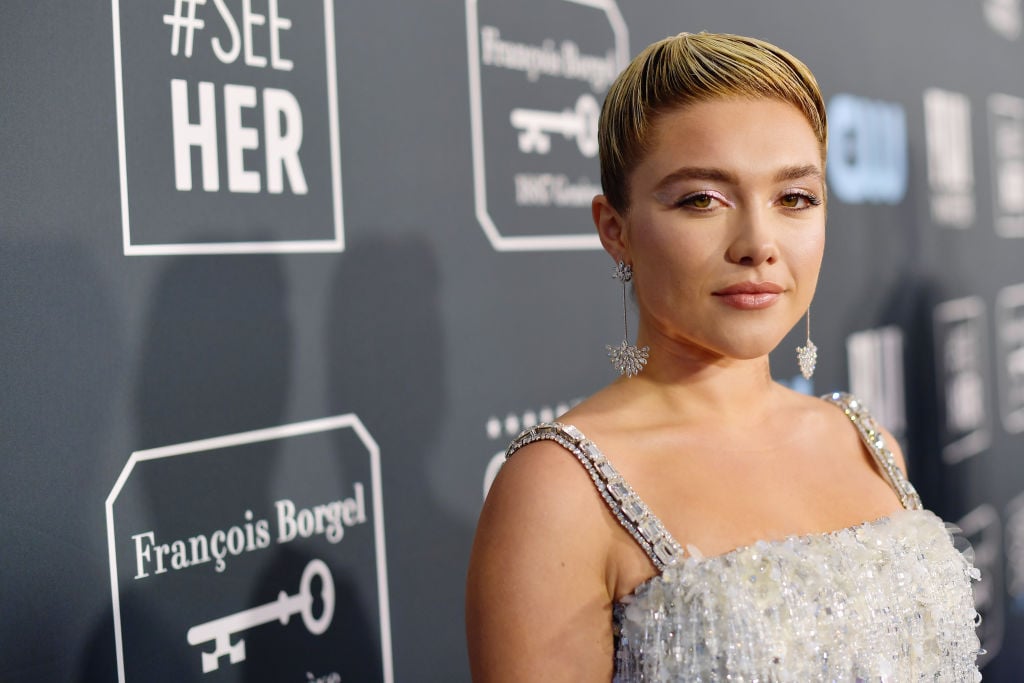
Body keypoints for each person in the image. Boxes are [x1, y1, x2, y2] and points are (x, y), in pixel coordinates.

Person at [465, 32, 982, 681]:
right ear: (614, 228)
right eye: (701, 199)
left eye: (794, 198)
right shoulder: (558, 491)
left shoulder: (867, 441)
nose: (758, 243)